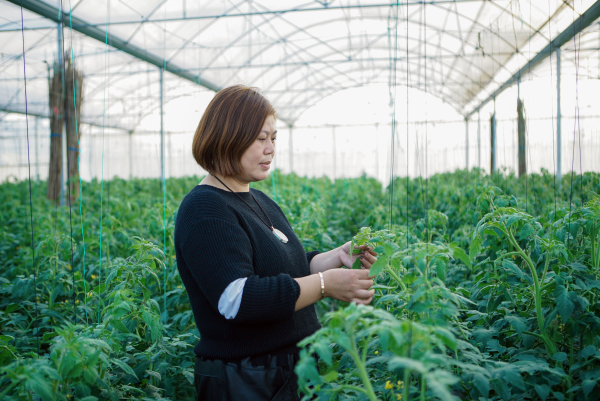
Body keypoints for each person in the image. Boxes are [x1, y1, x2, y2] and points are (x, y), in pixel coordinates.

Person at [174, 85, 378, 401]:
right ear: (228, 137)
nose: (270, 149)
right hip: (247, 380)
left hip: (288, 372)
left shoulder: (259, 199)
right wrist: (325, 285)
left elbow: (288, 268)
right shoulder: (205, 208)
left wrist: (336, 256)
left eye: (274, 138)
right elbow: (237, 298)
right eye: (260, 138)